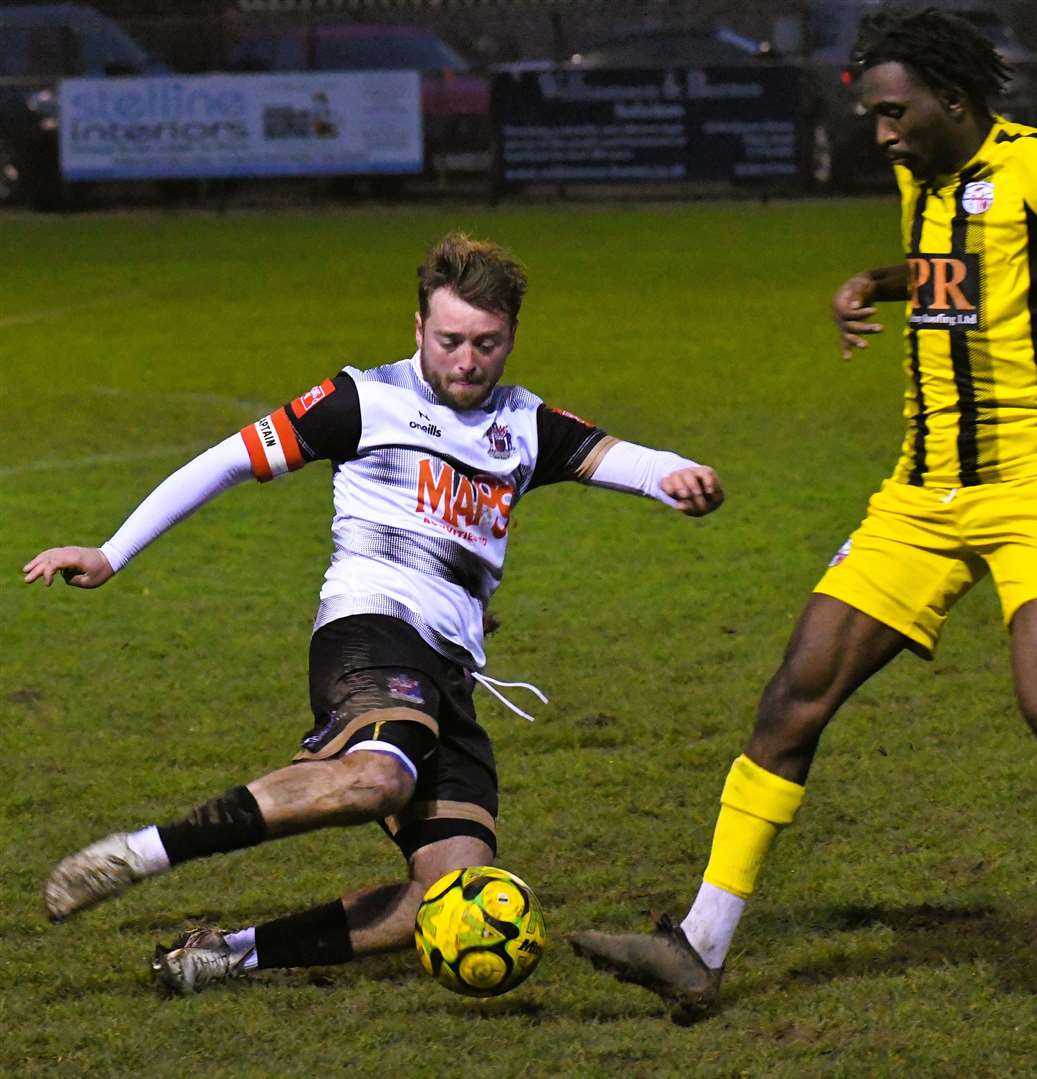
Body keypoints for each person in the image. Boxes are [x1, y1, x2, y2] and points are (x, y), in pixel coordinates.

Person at [569, 9, 1037, 1023]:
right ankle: (698, 950)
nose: (879, 133)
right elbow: (957, 274)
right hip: (915, 497)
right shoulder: (920, 175)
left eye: (892, 114)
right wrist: (871, 283)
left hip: (1030, 489)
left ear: (955, 102)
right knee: (792, 699)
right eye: (872, 116)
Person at [25, 231, 723, 994]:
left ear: (511, 338)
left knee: (447, 899)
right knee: (376, 781)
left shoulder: (521, 425)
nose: (466, 360)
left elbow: (633, 462)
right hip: (370, 629)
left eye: (486, 344)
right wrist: (111, 552)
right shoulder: (365, 399)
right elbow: (228, 458)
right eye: (450, 339)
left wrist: (680, 477)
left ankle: (227, 954)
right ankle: (138, 854)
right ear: (418, 328)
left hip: (449, 670)